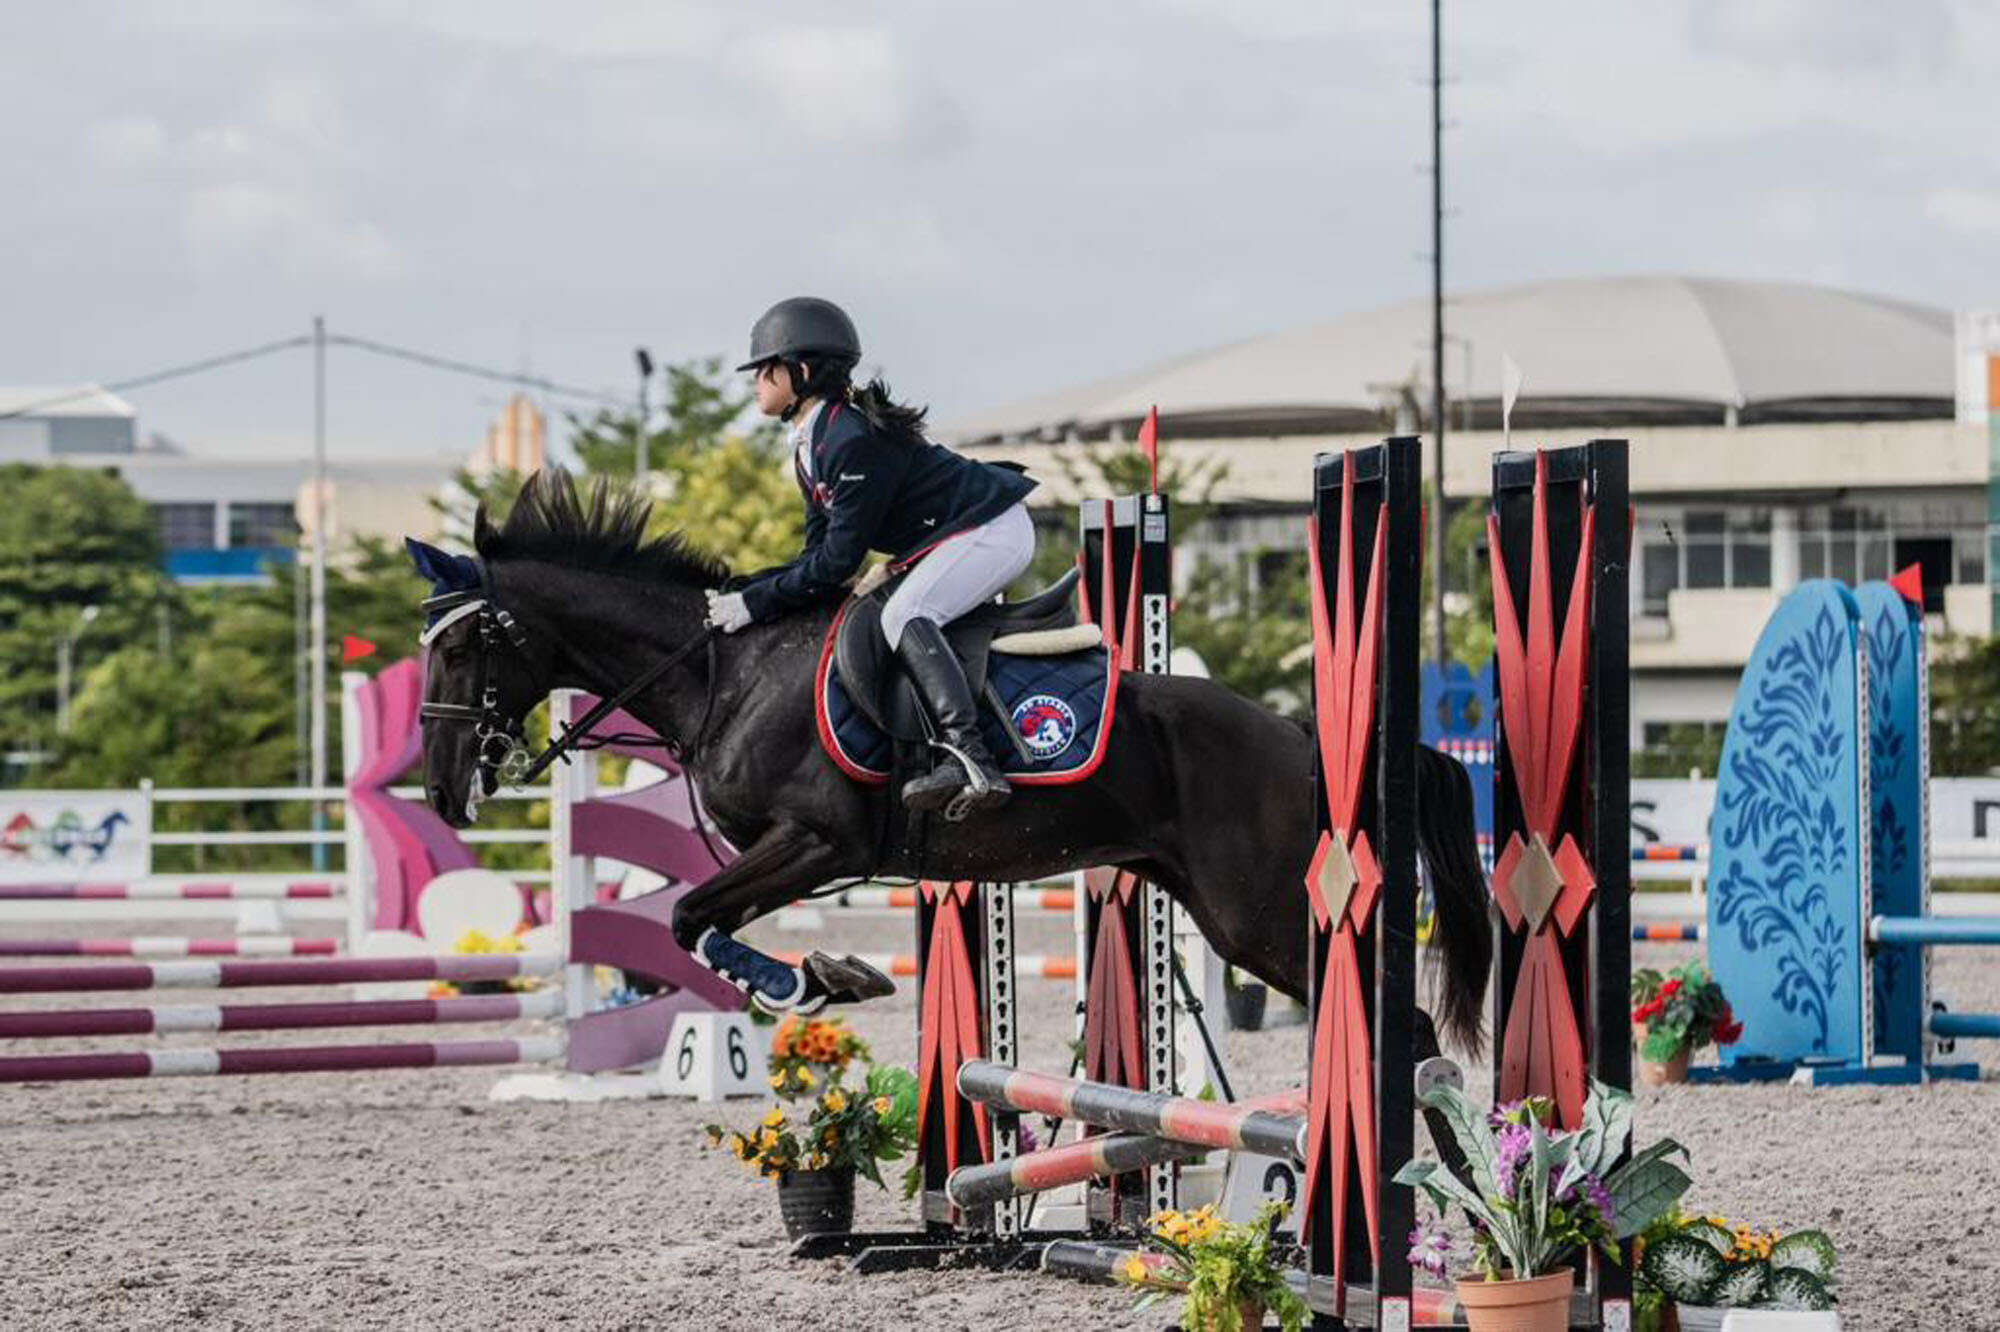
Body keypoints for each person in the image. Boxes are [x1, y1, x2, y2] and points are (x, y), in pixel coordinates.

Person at [703, 297, 1037, 814]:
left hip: (992, 529)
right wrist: (749, 589)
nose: (756, 381)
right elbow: (815, 556)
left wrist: (755, 605)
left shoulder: (848, 439)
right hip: (954, 534)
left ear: (803, 371)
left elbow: (838, 566)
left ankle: (970, 758)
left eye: (766, 369)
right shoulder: (813, 446)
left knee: (906, 613)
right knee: (890, 610)